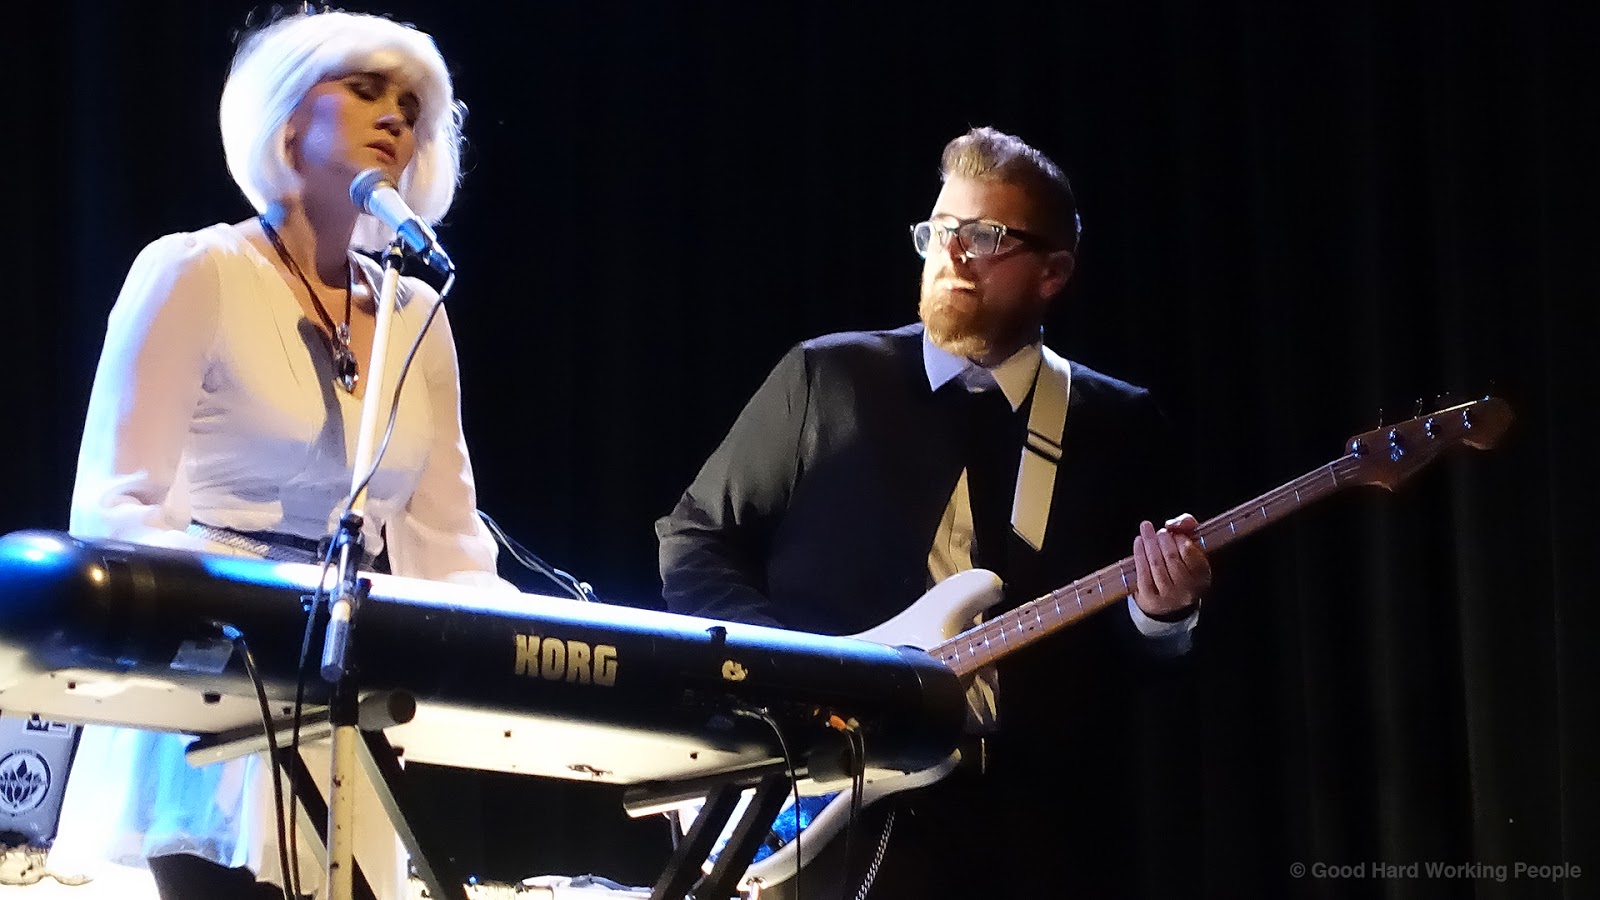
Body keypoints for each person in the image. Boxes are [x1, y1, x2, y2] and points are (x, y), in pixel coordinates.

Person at [656, 126, 1210, 898]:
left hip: (1036, 827)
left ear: (1053, 272)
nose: (952, 253)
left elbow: (1141, 661)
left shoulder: (1118, 423)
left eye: (984, 236)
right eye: (940, 229)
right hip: (830, 809)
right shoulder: (826, 378)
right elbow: (695, 536)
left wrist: (1163, 617)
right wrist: (783, 675)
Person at [49, 9, 503, 900]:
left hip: (345, 701)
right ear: (288, 117)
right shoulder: (194, 272)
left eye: (411, 106)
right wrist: (243, 610)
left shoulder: (417, 316)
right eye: (365, 90)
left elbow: (450, 545)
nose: (395, 118)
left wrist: (551, 667)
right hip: (211, 703)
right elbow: (114, 512)